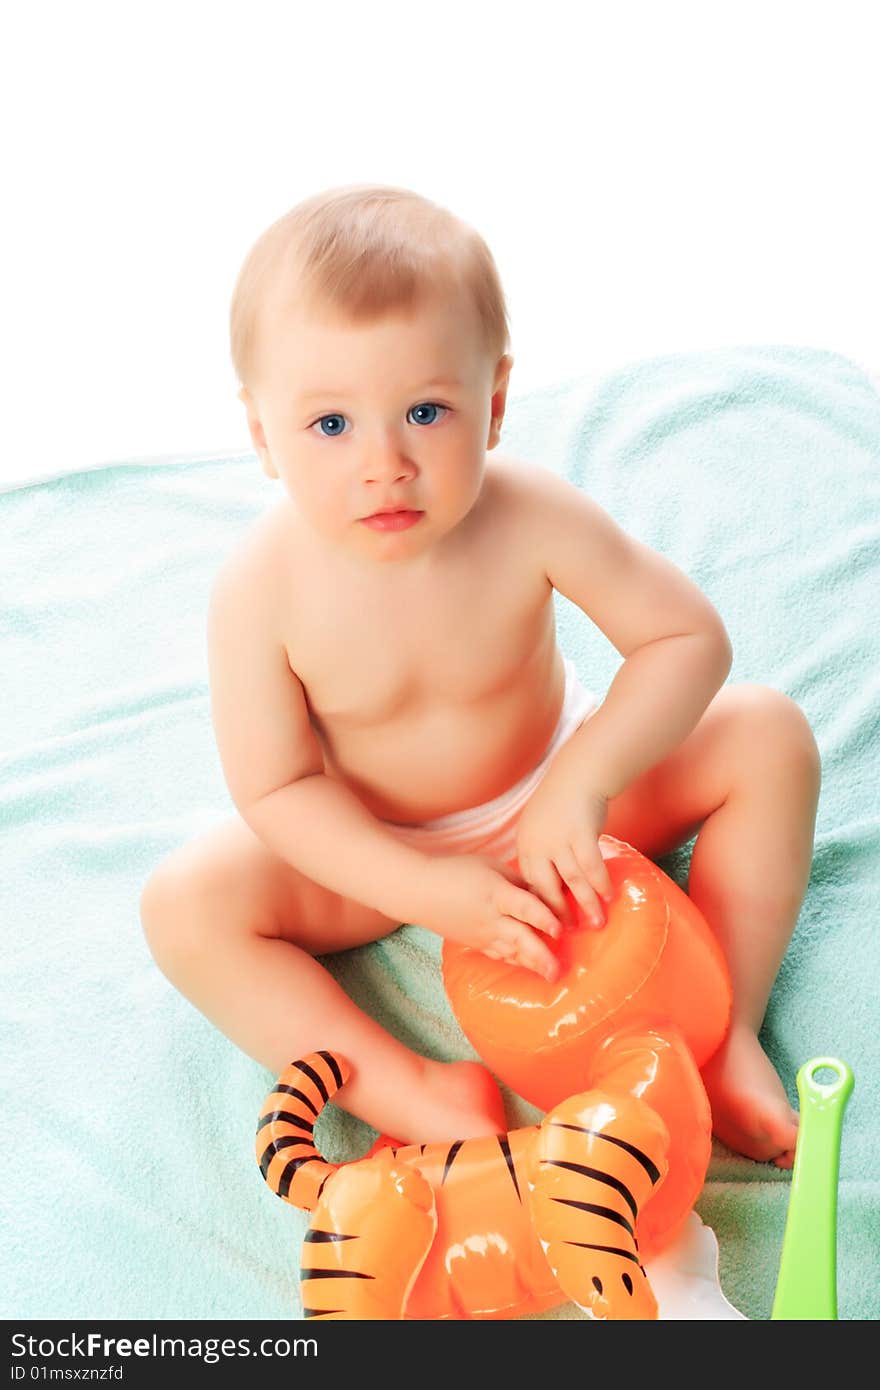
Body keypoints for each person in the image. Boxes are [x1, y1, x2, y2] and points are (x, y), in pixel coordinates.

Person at [140, 183, 821, 1168]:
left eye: (425, 411)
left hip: (563, 811)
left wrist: (579, 785)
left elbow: (686, 641)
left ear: (494, 402)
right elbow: (277, 789)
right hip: (379, 852)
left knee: (766, 731)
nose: (386, 464)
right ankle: (409, 1089)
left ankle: (720, 1031)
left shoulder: (530, 516)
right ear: (259, 433)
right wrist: (422, 887)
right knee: (186, 906)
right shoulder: (258, 590)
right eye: (330, 425)